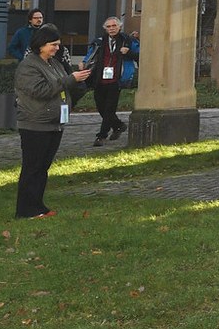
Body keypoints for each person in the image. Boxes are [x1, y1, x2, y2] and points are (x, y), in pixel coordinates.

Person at [14, 25, 92, 219]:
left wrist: (80, 80)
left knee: (43, 168)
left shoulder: (54, 63)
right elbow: (40, 91)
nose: (57, 48)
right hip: (35, 124)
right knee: (32, 168)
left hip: (54, 122)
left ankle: (38, 206)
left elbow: (64, 85)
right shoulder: (28, 66)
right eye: (53, 44)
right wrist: (69, 80)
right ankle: (25, 210)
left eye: (58, 44)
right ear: (41, 44)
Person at [84, 16, 138, 146]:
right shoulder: (99, 41)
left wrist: (128, 52)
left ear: (119, 27)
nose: (111, 29)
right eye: (108, 27)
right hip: (100, 79)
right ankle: (119, 125)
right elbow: (90, 55)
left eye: (114, 26)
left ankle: (101, 136)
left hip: (116, 79)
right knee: (101, 108)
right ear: (105, 29)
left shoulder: (127, 40)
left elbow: (140, 55)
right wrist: (84, 63)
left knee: (109, 109)